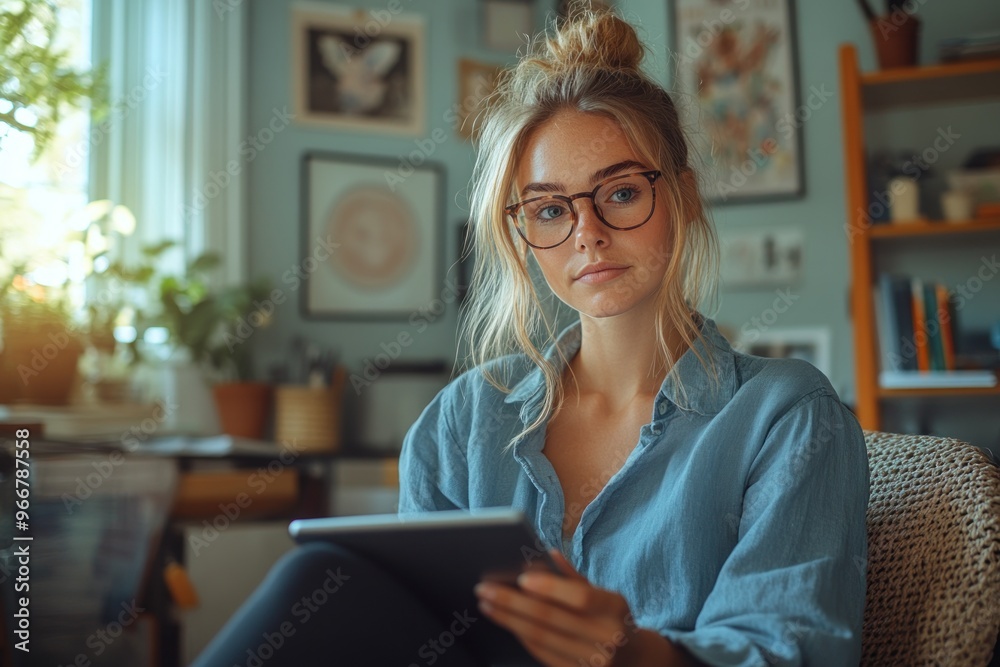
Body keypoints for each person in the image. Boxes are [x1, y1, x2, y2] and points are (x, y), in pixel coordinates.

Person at [193, 8, 868, 667]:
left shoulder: (786, 415)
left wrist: (633, 652)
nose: (588, 233)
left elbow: (792, 649)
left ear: (684, 197)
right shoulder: (462, 422)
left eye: (623, 192)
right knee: (323, 572)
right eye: (549, 208)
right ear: (523, 232)